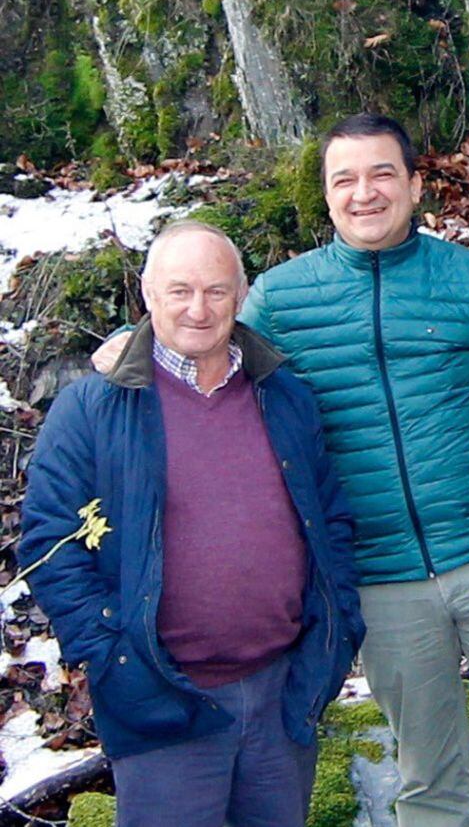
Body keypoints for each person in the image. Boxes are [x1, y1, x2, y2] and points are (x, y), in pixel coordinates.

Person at [92, 114, 469, 827]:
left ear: (415, 186)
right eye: (345, 180)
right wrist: (129, 343)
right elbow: (202, 337)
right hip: (379, 577)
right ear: (328, 198)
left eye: (382, 174)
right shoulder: (282, 299)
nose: (365, 193)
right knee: (429, 774)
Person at [21, 221, 364, 827]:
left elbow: (331, 525)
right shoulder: (91, 408)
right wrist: (114, 661)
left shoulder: (282, 396)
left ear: (240, 294)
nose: (198, 309)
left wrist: (332, 647)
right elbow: (52, 543)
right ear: (149, 297)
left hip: (281, 696)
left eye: (216, 291)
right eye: (179, 291)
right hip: (161, 702)